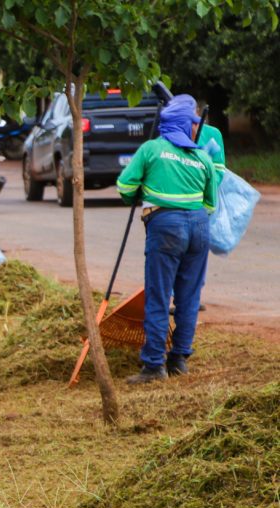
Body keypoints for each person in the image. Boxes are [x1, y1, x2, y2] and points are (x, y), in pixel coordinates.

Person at [116, 94, 218, 384]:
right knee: (189, 296)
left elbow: (124, 187)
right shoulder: (202, 158)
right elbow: (210, 204)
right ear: (187, 126)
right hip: (199, 226)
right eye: (195, 124)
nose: (197, 129)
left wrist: (138, 193)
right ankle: (179, 359)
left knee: (159, 295)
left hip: (165, 225)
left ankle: (153, 366)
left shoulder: (152, 149)